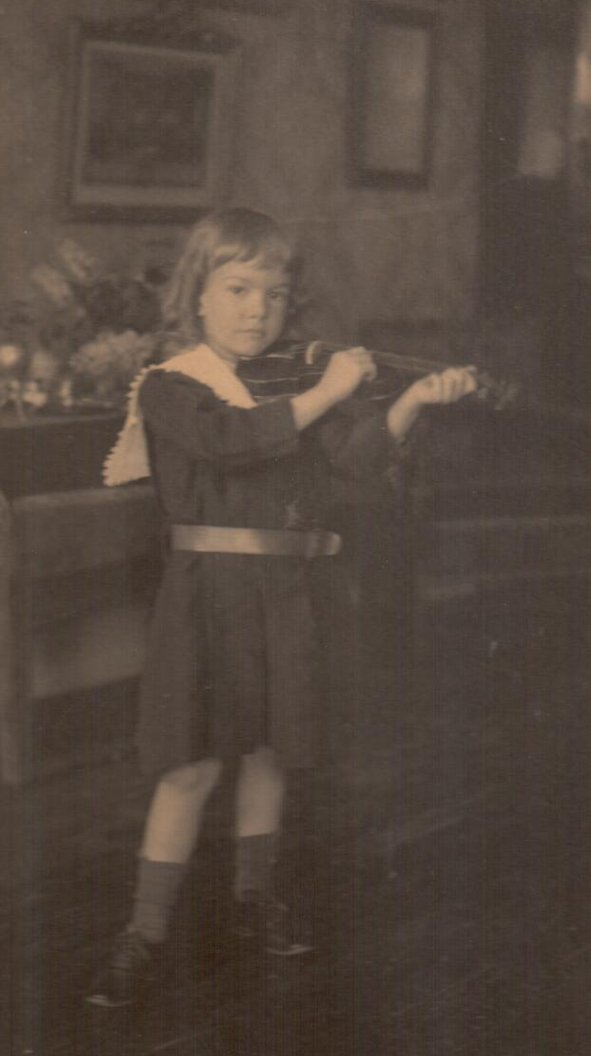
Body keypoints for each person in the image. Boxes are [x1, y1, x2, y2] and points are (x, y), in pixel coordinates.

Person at [87, 207, 476, 1007]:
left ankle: (253, 898)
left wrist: (409, 407)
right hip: (204, 601)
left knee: (266, 750)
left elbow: (346, 477)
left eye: (273, 294)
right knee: (191, 765)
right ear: (198, 294)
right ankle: (144, 931)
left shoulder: (295, 389)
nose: (255, 309)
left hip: (285, 601)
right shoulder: (171, 387)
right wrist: (332, 388)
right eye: (236, 289)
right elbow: (234, 442)